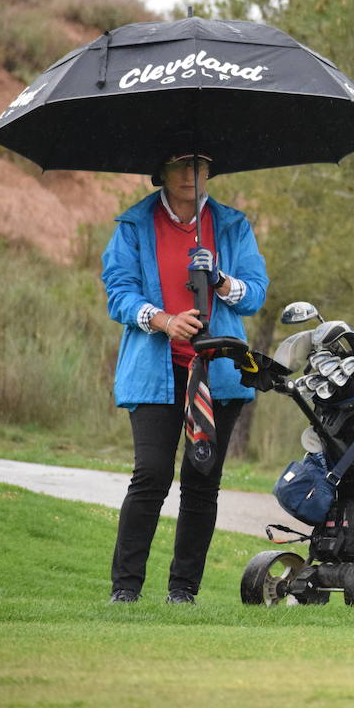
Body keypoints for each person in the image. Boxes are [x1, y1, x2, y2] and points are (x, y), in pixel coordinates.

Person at [101, 148, 268, 604]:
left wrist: (219, 280)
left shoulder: (232, 225)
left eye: (200, 165)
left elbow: (254, 294)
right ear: (162, 172)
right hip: (157, 373)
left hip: (219, 373)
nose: (191, 174)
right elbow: (118, 293)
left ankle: (183, 591)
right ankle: (125, 589)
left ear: (210, 172)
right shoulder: (134, 226)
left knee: (202, 479)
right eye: (180, 164)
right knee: (151, 474)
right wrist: (164, 320)